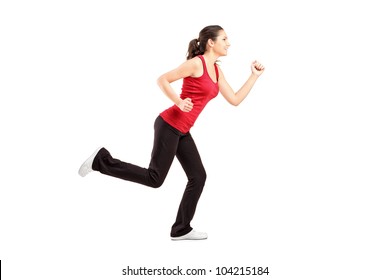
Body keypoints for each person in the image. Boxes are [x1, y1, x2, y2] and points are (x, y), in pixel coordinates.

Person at [78, 25, 265, 241]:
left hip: (182, 130)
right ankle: (100, 161)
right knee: (155, 178)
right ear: (211, 42)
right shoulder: (196, 64)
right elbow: (162, 79)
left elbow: (234, 100)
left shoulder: (217, 71)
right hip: (169, 125)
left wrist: (254, 76)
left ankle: (181, 229)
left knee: (198, 176)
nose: (229, 43)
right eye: (224, 39)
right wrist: (178, 100)